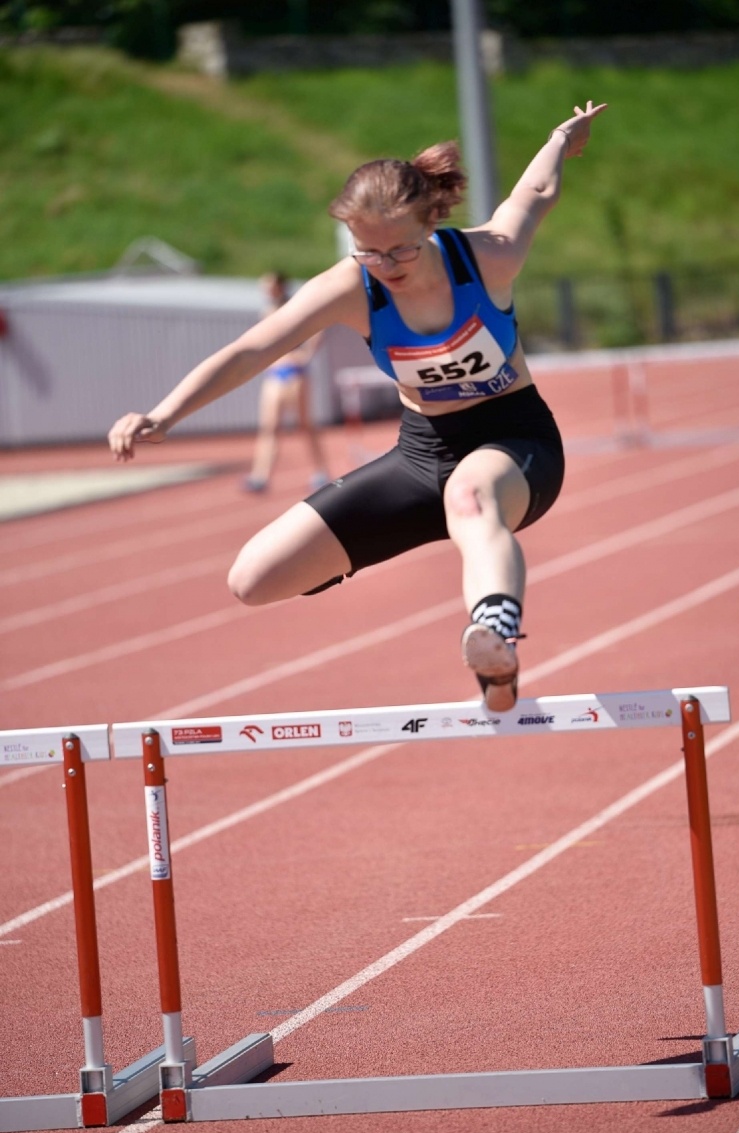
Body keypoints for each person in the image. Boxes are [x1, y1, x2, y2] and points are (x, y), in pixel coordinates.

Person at [109, 101, 607, 712]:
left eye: (400, 251)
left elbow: (535, 192)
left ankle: (496, 641)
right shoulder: (351, 286)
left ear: (430, 223)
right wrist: (164, 414)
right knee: (254, 580)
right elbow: (251, 350)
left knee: (470, 498)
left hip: (515, 444)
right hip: (422, 455)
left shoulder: (487, 257)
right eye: (368, 252)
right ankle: (419, 551)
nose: (385, 268)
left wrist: (562, 137)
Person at [241, 272, 330, 493]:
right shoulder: (267, 311)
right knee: (269, 426)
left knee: (305, 425)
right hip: (274, 373)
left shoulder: (294, 307)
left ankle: (320, 471)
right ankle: (260, 476)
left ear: (280, 286)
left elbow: (319, 326)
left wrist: (307, 354)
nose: (265, 290)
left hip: (294, 371)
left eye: (269, 285)